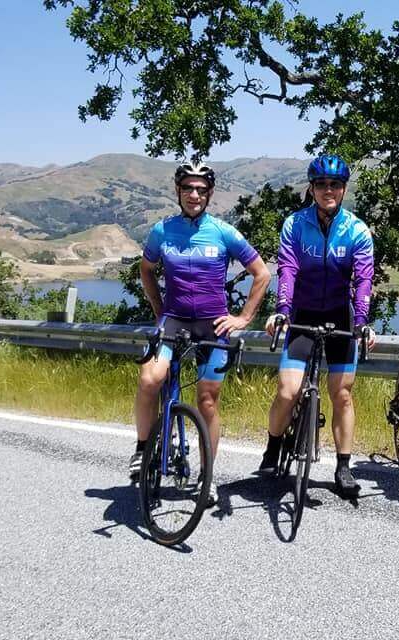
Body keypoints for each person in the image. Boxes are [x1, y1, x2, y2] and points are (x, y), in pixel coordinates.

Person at [130, 161, 271, 505]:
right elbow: (146, 270)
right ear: (178, 191)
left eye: (201, 190)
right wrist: (158, 310)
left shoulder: (223, 231)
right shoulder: (162, 231)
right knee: (151, 379)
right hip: (175, 319)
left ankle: (208, 476)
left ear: (209, 194)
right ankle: (142, 447)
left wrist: (243, 318)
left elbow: (262, 274)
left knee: (207, 399)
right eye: (188, 189)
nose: (194, 195)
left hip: (213, 323)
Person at [260, 154, 375, 498]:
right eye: (322, 184)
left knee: (342, 394)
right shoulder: (295, 224)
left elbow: (364, 279)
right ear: (311, 188)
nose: (329, 189)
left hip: (340, 316)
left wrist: (361, 322)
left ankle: (343, 467)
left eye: (335, 184)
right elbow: (288, 269)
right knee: (287, 391)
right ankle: (273, 445)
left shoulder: (356, 229)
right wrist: (282, 310)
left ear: (343, 189)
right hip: (302, 317)